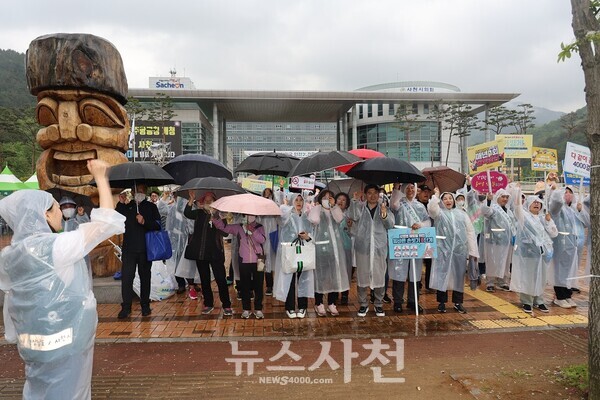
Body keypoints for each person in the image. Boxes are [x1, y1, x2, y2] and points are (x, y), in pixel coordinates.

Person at [0, 159, 125, 399]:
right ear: (44, 214)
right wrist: (101, 178)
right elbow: (106, 222)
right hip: (67, 341)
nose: (61, 212)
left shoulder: (9, 255)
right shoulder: (56, 248)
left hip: (32, 344)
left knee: (38, 389)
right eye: (56, 207)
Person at [427, 189, 479, 313]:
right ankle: (441, 302)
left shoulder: (462, 214)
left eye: (450, 198)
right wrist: (436, 196)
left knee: (458, 277)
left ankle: (458, 302)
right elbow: (432, 209)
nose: (448, 201)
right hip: (442, 251)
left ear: (454, 200)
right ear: (442, 201)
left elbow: (470, 231)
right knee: (442, 275)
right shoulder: (439, 213)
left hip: (459, 251)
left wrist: (473, 251)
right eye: (445, 199)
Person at [347, 184, 394, 317]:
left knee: (379, 276)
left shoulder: (383, 207)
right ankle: (363, 304)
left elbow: (390, 225)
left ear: (379, 194)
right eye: (369, 193)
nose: (372, 196)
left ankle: (378, 304)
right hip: (363, 247)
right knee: (362, 276)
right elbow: (352, 216)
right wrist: (354, 201)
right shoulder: (360, 207)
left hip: (379, 247)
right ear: (365, 194)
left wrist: (384, 214)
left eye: (375, 193)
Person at [116, 183, 161, 319]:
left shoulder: (151, 207)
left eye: (141, 190)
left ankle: (145, 306)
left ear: (146, 191)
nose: (139, 192)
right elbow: (117, 219)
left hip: (145, 250)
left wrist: (144, 222)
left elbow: (158, 225)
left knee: (145, 277)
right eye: (136, 190)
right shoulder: (128, 207)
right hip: (129, 249)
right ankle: (126, 307)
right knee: (127, 278)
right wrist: (121, 204)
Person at [184, 191, 232, 315]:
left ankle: (226, 305)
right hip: (201, 252)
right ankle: (208, 303)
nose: (208, 203)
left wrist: (215, 218)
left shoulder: (220, 215)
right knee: (204, 280)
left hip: (216, 252)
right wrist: (191, 199)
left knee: (221, 279)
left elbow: (225, 232)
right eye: (206, 201)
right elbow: (187, 213)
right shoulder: (199, 213)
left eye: (210, 201)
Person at [389, 182, 431, 313]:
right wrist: (396, 190)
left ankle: (413, 301)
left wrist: (420, 224)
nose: (410, 190)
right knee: (399, 271)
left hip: (416, 241)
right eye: (407, 188)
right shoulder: (398, 203)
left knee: (415, 272)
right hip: (401, 240)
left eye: (412, 187)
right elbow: (393, 205)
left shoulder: (420, 206)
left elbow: (428, 222)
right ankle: (398, 301)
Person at [511, 195, 557, 313]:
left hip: (542, 255)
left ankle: (539, 300)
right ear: (528, 205)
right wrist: (517, 191)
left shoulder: (543, 218)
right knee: (528, 277)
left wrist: (549, 221)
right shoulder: (524, 217)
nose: (537, 204)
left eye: (539, 203)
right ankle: (527, 301)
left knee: (541, 277)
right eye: (534, 202)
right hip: (528, 254)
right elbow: (517, 209)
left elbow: (554, 233)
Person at [214, 213, 266, 318]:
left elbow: (262, 240)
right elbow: (223, 228)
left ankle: (258, 309)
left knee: (259, 285)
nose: (249, 216)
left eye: (251, 214)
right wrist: (216, 217)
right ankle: (246, 309)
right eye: (246, 215)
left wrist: (252, 230)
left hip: (260, 259)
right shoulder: (238, 227)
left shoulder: (260, 227)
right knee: (245, 286)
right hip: (244, 260)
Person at [308, 189, 349, 317]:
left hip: (335, 250)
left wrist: (334, 207)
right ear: (320, 199)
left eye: (330, 197)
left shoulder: (334, 209)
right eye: (325, 197)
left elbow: (339, 219)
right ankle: (319, 303)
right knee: (320, 276)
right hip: (321, 250)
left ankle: (331, 302)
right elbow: (313, 220)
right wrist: (319, 207)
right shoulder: (317, 210)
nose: (328, 199)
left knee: (334, 276)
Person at [274, 193, 314, 319]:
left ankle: (302, 306)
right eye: (296, 200)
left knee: (304, 279)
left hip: (303, 252)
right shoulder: (287, 217)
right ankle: (290, 307)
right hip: (290, 253)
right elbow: (281, 223)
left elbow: (312, 235)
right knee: (289, 280)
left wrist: (307, 237)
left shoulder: (307, 217)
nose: (298, 202)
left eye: (301, 200)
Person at [548, 186, 588, 308]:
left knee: (570, 271)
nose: (568, 195)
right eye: (565, 193)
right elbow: (555, 204)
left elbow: (586, 223)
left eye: (570, 193)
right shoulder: (559, 209)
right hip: (561, 245)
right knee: (559, 271)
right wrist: (556, 191)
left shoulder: (573, 209)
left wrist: (581, 210)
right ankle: (560, 296)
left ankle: (567, 295)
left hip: (573, 247)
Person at [480, 188, 516, 292]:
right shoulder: (493, 208)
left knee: (505, 262)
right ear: (498, 197)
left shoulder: (508, 211)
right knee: (492, 262)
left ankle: (503, 282)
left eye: (506, 197)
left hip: (507, 242)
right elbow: (485, 211)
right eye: (503, 197)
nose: (505, 199)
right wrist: (488, 200)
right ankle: (490, 282)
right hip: (494, 241)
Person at [334, 192, 353, 305]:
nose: (340, 201)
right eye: (339, 199)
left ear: (347, 204)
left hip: (345, 247)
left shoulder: (349, 216)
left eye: (343, 200)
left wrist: (351, 226)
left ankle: (345, 293)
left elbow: (353, 232)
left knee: (346, 271)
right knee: (335, 270)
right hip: (334, 247)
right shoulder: (331, 214)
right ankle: (335, 292)